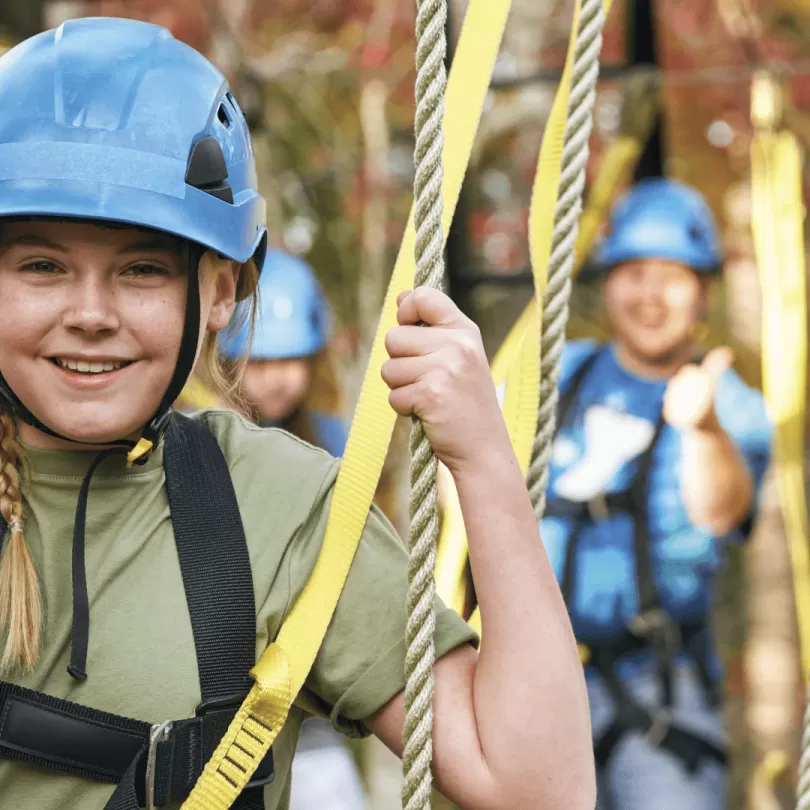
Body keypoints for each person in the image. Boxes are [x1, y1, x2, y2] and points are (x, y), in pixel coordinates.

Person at [0, 17, 593, 810]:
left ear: (218, 293)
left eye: (141, 270)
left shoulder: (277, 508)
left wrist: (485, 463)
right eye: (43, 266)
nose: (90, 313)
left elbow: (539, 792)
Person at [540, 178, 772, 810]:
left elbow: (720, 509)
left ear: (703, 293)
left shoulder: (733, 407)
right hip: (541, 681)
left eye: (671, 276)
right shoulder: (557, 375)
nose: (649, 294)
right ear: (608, 282)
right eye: (634, 272)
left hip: (659, 687)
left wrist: (701, 428)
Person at [220, 249, 368, 810]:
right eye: (259, 361)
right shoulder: (196, 444)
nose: (277, 378)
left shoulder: (333, 443)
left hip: (313, 699)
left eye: (290, 359)